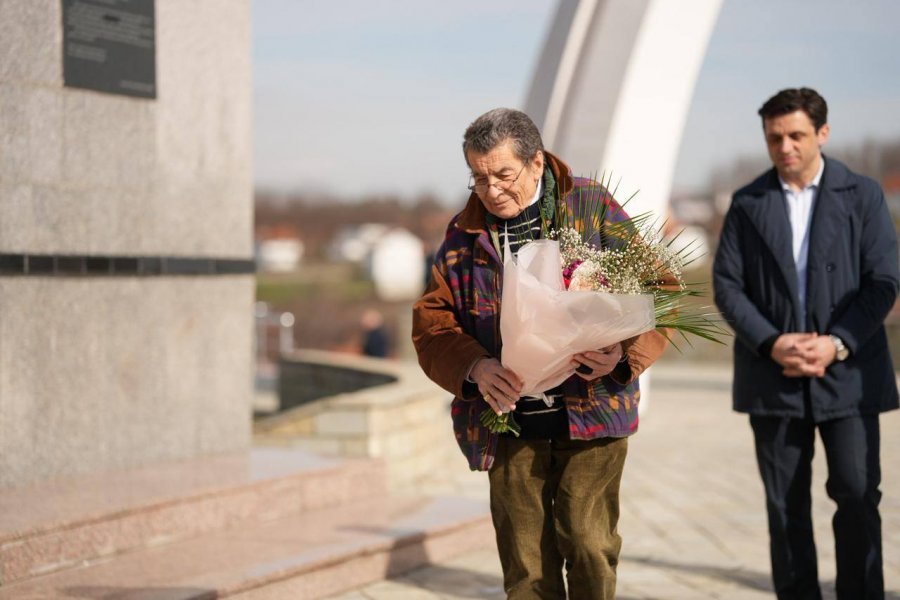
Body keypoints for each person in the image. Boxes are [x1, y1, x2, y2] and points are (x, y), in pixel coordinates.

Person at [412, 108, 667, 599]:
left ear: (535, 163)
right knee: (526, 565)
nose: (492, 190)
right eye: (478, 178)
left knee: (589, 543)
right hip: (507, 420)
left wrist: (621, 352)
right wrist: (475, 366)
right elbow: (432, 324)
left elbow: (658, 289)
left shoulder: (590, 205)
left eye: (504, 174)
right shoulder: (462, 233)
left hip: (591, 409)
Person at [713, 88, 899, 600]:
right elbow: (727, 286)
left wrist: (837, 342)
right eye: (775, 137)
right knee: (785, 506)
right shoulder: (747, 202)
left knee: (859, 496)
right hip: (773, 377)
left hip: (850, 374)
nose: (785, 146)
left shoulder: (861, 194)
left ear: (822, 133)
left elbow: (884, 281)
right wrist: (770, 342)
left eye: (796, 135)